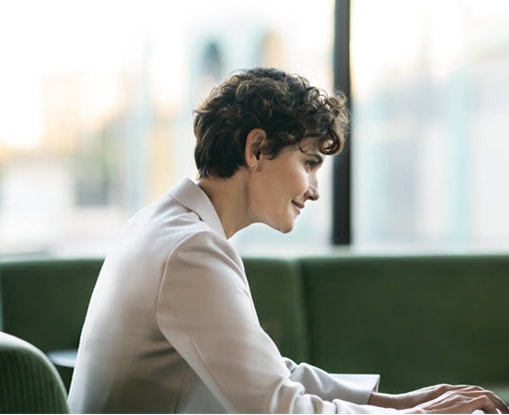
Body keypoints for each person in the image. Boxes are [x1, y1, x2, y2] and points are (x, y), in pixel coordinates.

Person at [68, 67, 508, 414]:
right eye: (309, 163)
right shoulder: (190, 252)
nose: (314, 189)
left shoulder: (166, 226)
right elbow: (279, 409)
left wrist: (398, 402)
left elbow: (270, 375)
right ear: (256, 149)